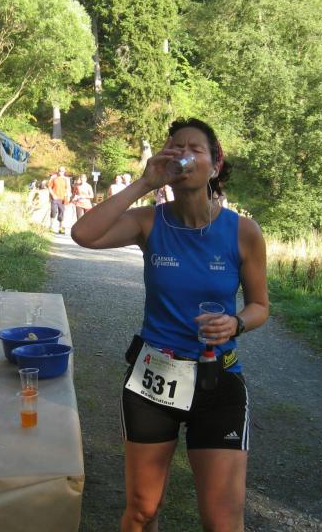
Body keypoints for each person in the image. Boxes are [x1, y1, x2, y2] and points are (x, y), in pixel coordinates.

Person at [71, 117, 269, 532]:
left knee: (222, 521)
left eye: (195, 148)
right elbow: (83, 234)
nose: (183, 154)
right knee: (142, 510)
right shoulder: (149, 222)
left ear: (215, 164)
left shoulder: (243, 232)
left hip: (218, 379)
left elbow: (260, 306)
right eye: (175, 147)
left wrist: (235, 323)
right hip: (153, 379)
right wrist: (145, 183)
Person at [48, 166, 71, 234]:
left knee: (61, 213)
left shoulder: (66, 179)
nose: (61, 172)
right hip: (55, 198)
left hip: (63, 198)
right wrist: (53, 195)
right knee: (53, 211)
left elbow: (68, 188)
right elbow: (49, 187)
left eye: (62, 171)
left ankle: (60, 228)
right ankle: (51, 226)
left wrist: (68, 196)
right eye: (60, 171)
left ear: (64, 172)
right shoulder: (54, 178)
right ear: (58, 171)